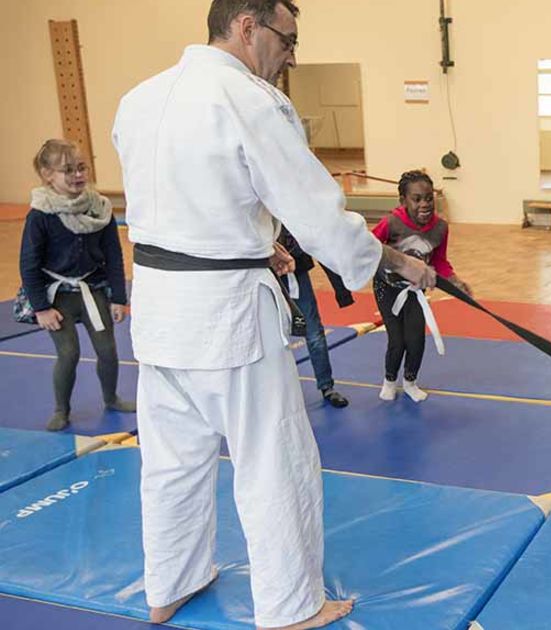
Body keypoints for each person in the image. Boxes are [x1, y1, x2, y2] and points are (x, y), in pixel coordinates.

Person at [111, 1, 434, 627]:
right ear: (246, 26)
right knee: (272, 460)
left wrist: (260, 240)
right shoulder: (250, 100)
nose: (292, 55)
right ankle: (290, 606)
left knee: (171, 460)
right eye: (288, 40)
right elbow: (318, 215)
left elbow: (193, 205)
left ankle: (168, 585)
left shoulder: (139, 98)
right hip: (227, 315)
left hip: (158, 308)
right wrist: (393, 260)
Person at [19, 139, 133, 432]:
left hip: (92, 290)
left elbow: (113, 256)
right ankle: (61, 409)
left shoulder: (100, 209)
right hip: (58, 298)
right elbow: (29, 265)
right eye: (67, 170)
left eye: (81, 167)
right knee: (68, 353)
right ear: (47, 175)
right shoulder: (41, 215)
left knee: (107, 350)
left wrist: (119, 297)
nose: (77, 175)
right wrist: (41, 308)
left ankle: (111, 397)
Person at [372, 170, 471, 402]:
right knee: (397, 341)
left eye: (428, 198)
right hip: (386, 287)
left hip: (415, 291)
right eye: (417, 199)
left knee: (416, 339)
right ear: (403, 201)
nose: (425, 204)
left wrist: (456, 282)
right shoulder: (391, 223)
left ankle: (409, 381)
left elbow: (438, 261)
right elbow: (369, 248)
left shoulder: (440, 228)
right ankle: (389, 380)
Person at [277, 225, 351, 407]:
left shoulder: (297, 211)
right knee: (271, 337)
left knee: (314, 332)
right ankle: (276, 390)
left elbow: (322, 248)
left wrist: (341, 290)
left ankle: (326, 385)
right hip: (263, 275)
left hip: (296, 272)